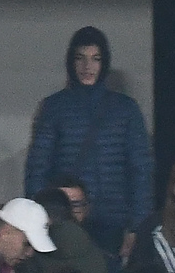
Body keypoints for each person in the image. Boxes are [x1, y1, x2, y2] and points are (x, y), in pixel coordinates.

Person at [25, 25, 152, 232]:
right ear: (71, 61)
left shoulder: (125, 108)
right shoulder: (54, 108)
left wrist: (138, 227)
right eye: (80, 58)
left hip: (116, 220)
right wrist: (37, 221)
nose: (87, 66)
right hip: (65, 218)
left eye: (95, 58)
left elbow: (141, 172)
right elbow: (37, 169)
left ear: (104, 62)